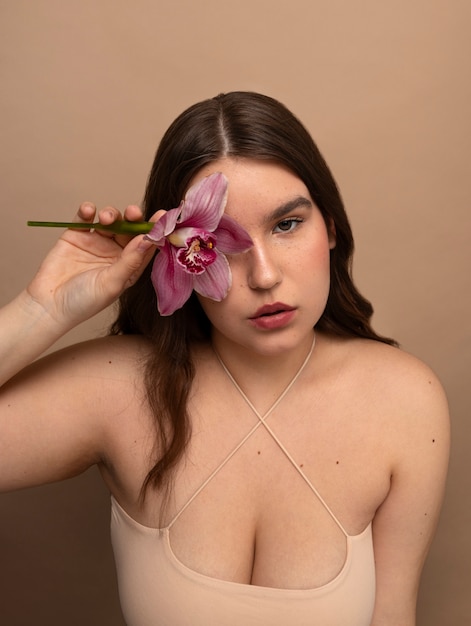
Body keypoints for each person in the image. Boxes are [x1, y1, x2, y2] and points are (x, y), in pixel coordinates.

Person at [0, 92, 449, 625]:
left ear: (329, 227)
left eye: (286, 225)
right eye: (224, 244)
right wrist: (41, 311)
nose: (263, 276)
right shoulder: (121, 390)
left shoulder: (403, 403)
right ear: (175, 257)